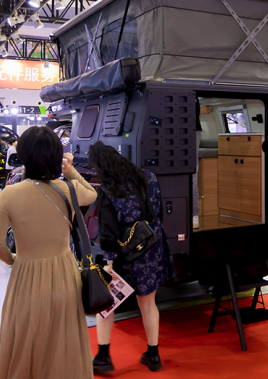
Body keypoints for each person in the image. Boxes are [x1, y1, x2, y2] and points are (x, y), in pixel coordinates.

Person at [0, 126, 97, 379]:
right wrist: (70, 171)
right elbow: (92, 194)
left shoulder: (10, 194)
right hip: (64, 271)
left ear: (23, 155)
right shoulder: (69, 189)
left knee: (25, 336)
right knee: (64, 337)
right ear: (57, 155)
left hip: (26, 272)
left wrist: (14, 259)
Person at [89, 141, 177, 374]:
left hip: (124, 254)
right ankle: (153, 355)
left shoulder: (108, 189)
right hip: (151, 245)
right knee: (148, 304)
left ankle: (103, 356)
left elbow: (108, 231)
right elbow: (158, 211)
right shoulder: (148, 177)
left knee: (107, 305)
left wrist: (108, 263)